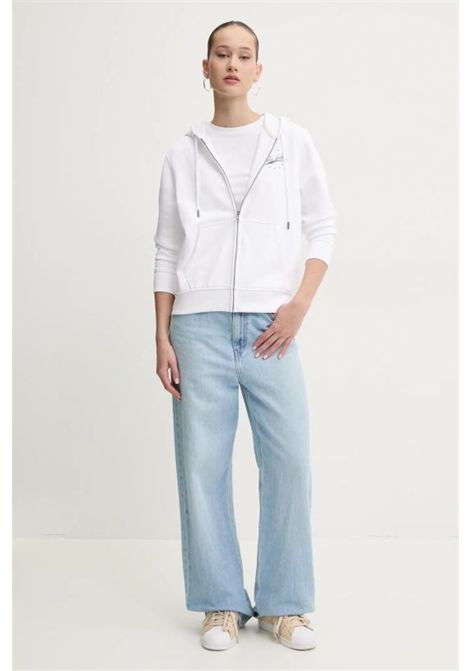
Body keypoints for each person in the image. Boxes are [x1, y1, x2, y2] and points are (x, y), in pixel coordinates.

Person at [153, 20, 337, 652]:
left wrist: (298, 306)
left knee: (289, 462)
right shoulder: (182, 153)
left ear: (259, 70)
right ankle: (221, 604)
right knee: (201, 467)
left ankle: (285, 606)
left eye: (244, 55)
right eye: (221, 54)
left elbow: (323, 226)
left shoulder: (290, 141)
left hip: (271, 327)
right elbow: (166, 249)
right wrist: (161, 336)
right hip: (196, 327)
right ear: (204, 67)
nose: (232, 63)